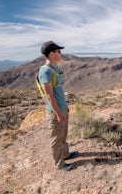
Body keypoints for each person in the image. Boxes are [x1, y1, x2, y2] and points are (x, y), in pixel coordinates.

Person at [38, 41, 78, 171]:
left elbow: (58, 90)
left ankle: (65, 154)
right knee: (56, 138)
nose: (61, 54)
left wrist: (64, 107)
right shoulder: (46, 71)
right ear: (51, 53)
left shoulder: (55, 69)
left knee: (63, 134)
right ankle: (59, 164)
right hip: (55, 111)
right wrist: (58, 113)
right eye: (58, 51)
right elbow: (49, 96)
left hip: (62, 107)